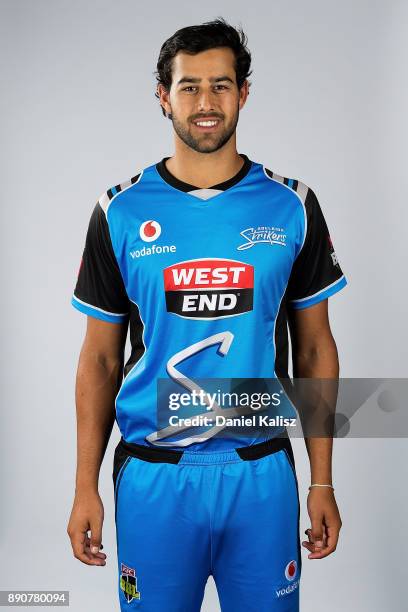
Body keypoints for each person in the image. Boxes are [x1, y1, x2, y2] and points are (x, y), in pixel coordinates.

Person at [67, 17, 346, 612]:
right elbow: (98, 357)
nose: (206, 102)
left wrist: (321, 480)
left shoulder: (291, 204)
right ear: (163, 97)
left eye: (221, 85)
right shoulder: (120, 211)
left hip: (260, 471)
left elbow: (317, 348)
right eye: (189, 86)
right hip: (154, 475)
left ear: (243, 93)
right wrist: (84, 486)